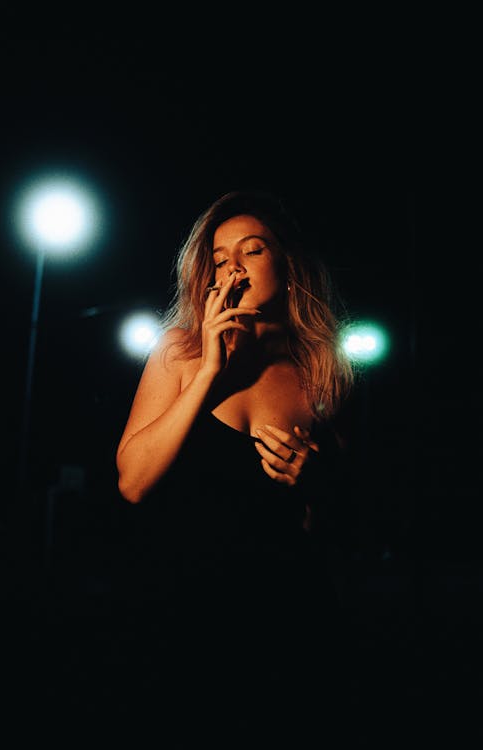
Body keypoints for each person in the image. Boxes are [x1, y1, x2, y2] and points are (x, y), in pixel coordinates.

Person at [115, 189, 356, 743]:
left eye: (252, 251)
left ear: (288, 266)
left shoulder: (321, 370)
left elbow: (341, 526)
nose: (234, 269)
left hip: (288, 619)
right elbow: (132, 482)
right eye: (221, 260)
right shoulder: (179, 351)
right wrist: (208, 373)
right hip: (180, 616)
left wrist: (319, 483)